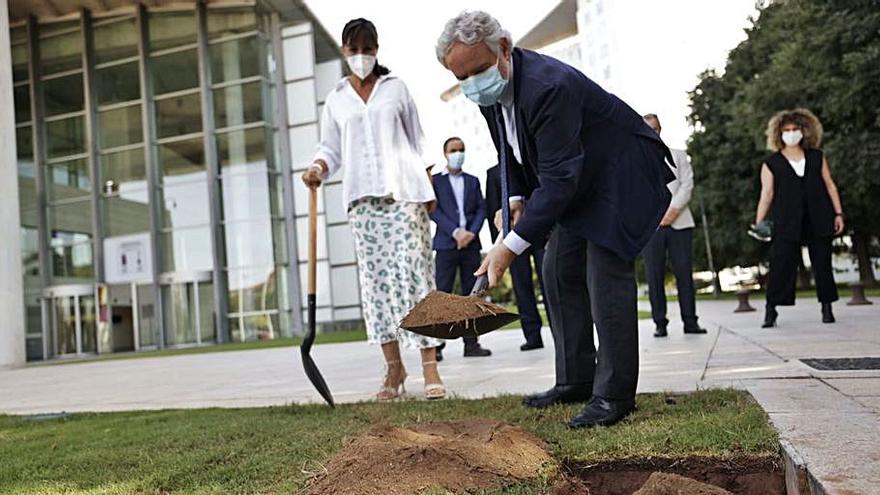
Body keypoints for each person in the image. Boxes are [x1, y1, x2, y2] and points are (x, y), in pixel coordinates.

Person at [436, 11, 673, 428]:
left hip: (617, 176)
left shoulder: (549, 86)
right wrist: (514, 196)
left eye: (478, 70)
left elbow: (562, 178)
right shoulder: (489, 95)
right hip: (577, 181)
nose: (471, 83)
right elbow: (511, 148)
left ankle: (613, 395)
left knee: (604, 276)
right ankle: (575, 379)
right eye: (462, 77)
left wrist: (506, 249)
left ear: (504, 49)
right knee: (557, 269)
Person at [302, 18, 445, 401]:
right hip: (363, 202)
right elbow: (330, 148)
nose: (361, 56)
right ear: (344, 52)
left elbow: (418, 140)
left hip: (404, 195)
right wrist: (318, 168)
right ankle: (394, 369)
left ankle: (430, 366)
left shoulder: (395, 88)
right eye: (354, 50)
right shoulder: (336, 98)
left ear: (376, 50)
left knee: (416, 278)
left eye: (367, 49)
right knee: (377, 285)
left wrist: (428, 185)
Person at [753, 108, 844, 328]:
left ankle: (827, 308)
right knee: (781, 264)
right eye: (787, 130)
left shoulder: (816, 156)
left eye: (795, 129)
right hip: (787, 220)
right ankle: (770, 309)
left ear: (804, 131)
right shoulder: (771, 163)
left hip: (819, 216)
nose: (792, 133)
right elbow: (767, 194)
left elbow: (829, 185)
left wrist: (838, 213)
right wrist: (759, 222)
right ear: (779, 134)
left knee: (822, 263)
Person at [641, 114, 707, 337]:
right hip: (652, 227)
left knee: (684, 275)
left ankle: (691, 321)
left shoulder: (678, 155)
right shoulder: (636, 159)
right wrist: (657, 216)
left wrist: (672, 210)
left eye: (656, 128)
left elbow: (687, 185)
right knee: (654, 275)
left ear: (661, 129)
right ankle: (660, 323)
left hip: (680, 222)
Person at [430, 137, 492, 358]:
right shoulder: (436, 181)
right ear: (445, 153)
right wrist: (456, 232)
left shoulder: (473, 181)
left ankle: (471, 344)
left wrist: (471, 233)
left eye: (461, 149)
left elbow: (481, 209)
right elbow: (433, 210)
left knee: (472, 295)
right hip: (447, 245)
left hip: (471, 245)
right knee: (442, 294)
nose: (458, 153)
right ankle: (436, 346)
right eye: (453, 150)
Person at [486, 163, 549, 351]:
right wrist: (498, 247)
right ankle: (532, 336)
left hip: (541, 233)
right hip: (512, 238)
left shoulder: (536, 163)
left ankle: (558, 330)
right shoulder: (494, 173)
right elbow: (492, 207)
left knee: (549, 281)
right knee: (522, 287)